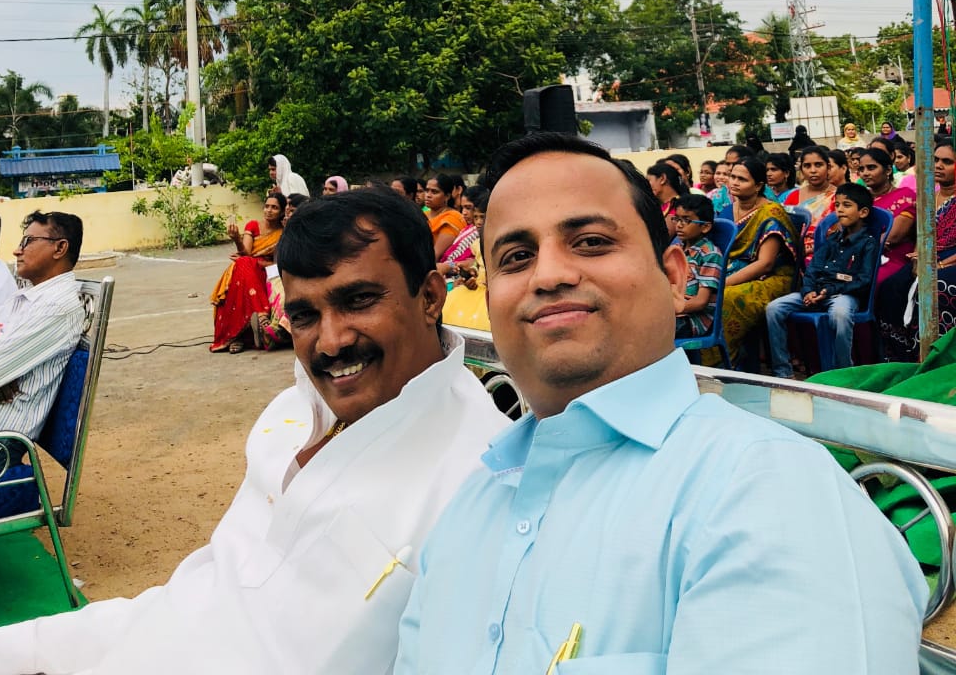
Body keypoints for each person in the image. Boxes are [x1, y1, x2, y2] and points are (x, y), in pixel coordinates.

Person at [394, 132, 927, 674]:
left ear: (674, 276)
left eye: (591, 242)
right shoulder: (473, 504)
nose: (548, 275)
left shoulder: (766, 490)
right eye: (516, 257)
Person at [0, 189, 506, 675]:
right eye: (304, 315)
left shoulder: (483, 484)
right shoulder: (291, 414)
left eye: (359, 300)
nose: (330, 342)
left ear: (430, 297)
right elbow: (201, 598)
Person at [766, 184, 879, 378]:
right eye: (838, 205)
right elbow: (813, 269)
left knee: (840, 314)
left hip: (843, 294)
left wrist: (830, 290)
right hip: (817, 291)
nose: (840, 210)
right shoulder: (833, 239)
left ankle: (843, 373)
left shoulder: (868, 243)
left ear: (863, 212)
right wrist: (808, 290)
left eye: (847, 205)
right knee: (774, 308)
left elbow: (864, 280)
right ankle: (782, 371)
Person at [0, 212, 85, 439]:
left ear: (59, 248)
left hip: (1, 442)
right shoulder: (28, 296)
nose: (17, 251)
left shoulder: (55, 307)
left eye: (28, 241)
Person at [877, 139, 956, 360]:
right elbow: (922, 235)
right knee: (890, 287)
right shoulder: (929, 196)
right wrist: (919, 256)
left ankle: (936, 357)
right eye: (935, 160)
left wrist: (940, 264)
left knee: (934, 287)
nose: (938, 165)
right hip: (930, 257)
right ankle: (903, 356)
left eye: (947, 161)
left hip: (951, 260)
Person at [722, 155, 800, 363]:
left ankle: (727, 363)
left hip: (773, 277)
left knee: (725, 298)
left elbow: (765, 264)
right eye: (732, 177)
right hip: (735, 270)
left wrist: (724, 283)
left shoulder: (770, 213)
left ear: (758, 186)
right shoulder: (728, 210)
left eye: (742, 179)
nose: (734, 182)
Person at [210, 192, 286, 353]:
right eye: (267, 206)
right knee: (245, 264)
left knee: (245, 263)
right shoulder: (253, 225)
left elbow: (280, 261)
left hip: (267, 271)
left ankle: (240, 337)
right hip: (248, 268)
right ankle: (261, 316)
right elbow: (246, 253)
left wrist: (261, 263)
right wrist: (237, 239)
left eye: (274, 207)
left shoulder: (283, 232)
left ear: (281, 212)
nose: (269, 210)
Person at [858, 146, 915, 294]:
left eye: (871, 168)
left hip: (894, 257)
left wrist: (859, 241)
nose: (865, 173)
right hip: (859, 254)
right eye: (861, 169)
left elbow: (893, 236)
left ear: (888, 170)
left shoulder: (905, 195)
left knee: (869, 280)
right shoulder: (860, 198)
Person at [672, 193, 721, 339]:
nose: (679, 225)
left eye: (686, 220)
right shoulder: (676, 249)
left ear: (705, 227)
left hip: (692, 320)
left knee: (646, 329)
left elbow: (700, 302)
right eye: (677, 219)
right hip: (673, 311)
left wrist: (668, 311)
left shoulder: (710, 254)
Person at [784, 145, 835, 257]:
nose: (813, 170)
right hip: (797, 255)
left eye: (818, 165)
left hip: (830, 255)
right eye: (807, 166)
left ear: (828, 167)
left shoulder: (839, 196)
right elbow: (786, 231)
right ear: (801, 170)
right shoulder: (793, 196)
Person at [436, 185, 483, 278]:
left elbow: (468, 264)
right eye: (463, 208)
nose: (464, 212)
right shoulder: (467, 229)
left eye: (468, 208)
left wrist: (448, 266)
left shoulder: (479, 233)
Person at [423, 173, 467, 264]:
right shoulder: (422, 214)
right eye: (427, 190)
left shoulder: (451, 219)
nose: (428, 195)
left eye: (434, 192)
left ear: (447, 196)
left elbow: (435, 255)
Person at [645, 161, 686, 238]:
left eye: (648, 181)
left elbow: (662, 237)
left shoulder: (679, 206)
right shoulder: (658, 205)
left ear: (662, 179)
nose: (646, 186)